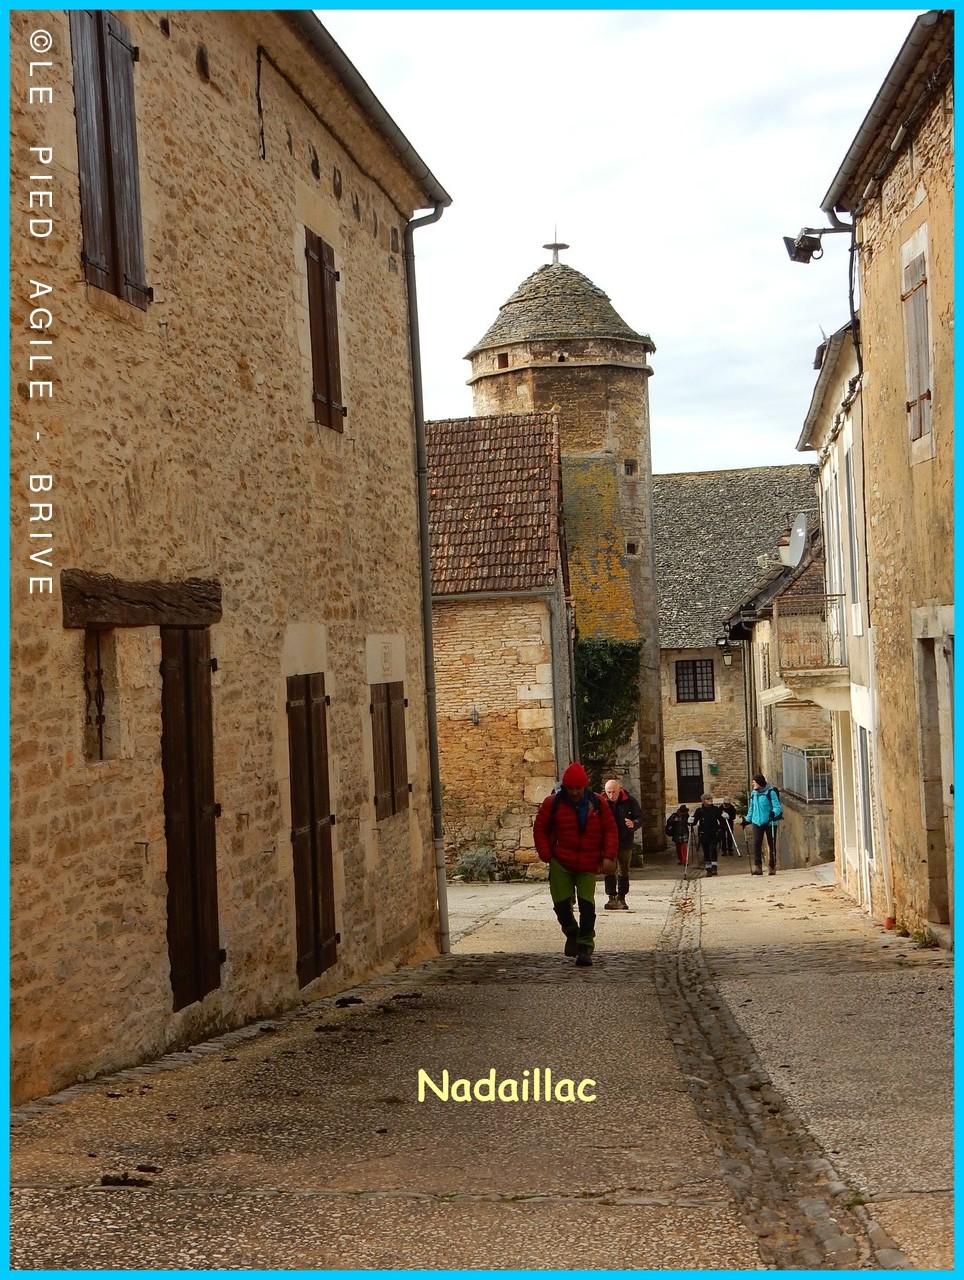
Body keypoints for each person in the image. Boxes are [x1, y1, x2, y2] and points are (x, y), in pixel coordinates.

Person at [533, 763, 618, 967]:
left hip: (589, 862)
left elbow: (610, 829)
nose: (573, 793)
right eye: (570, 788)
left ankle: (585, 947)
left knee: (587, 907)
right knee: (561, 906)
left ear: (584, 786)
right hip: (561, 861)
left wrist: (608, 856)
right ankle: (572, 932)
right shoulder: (552, 803)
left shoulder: (598, 803)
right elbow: (540, 828)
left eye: (577, 788)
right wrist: (546, 854)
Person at [602, 779, 643, 910]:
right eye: (608, 792)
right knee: (609, 869)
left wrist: (634, 823)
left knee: (624, 869)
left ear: (619, 790)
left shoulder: (630, 801)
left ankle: (621, 897)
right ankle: (611, 897)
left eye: (613, 792)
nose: (610, 795)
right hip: (608, 842)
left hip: (625, 841)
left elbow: (640, 817)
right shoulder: (602, 802)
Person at [741, 773, 783, 875]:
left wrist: (774, 813)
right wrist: (747, 820)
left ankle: (772, 866)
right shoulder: (754, 793)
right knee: (756, 843)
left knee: (771, 844)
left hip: (770, 821)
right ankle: (758, 867)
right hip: (757, 821)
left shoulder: (771, 792)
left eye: (754, 782)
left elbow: (777, 807)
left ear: (759, 783)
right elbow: (752, 808)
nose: (753, 784)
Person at [689, 794, 725, 876]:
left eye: (710, 798)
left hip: (714, 832)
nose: (710, 800)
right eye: (707, 799)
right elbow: (694, 821)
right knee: (706, 850)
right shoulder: (699, 811)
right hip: (704, 833)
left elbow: (721, 820)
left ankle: (714, 867)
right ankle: (708, 868)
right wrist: (690, 821)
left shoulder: (715, 809)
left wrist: (725, 817)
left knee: (713, 849)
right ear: (703, 801)